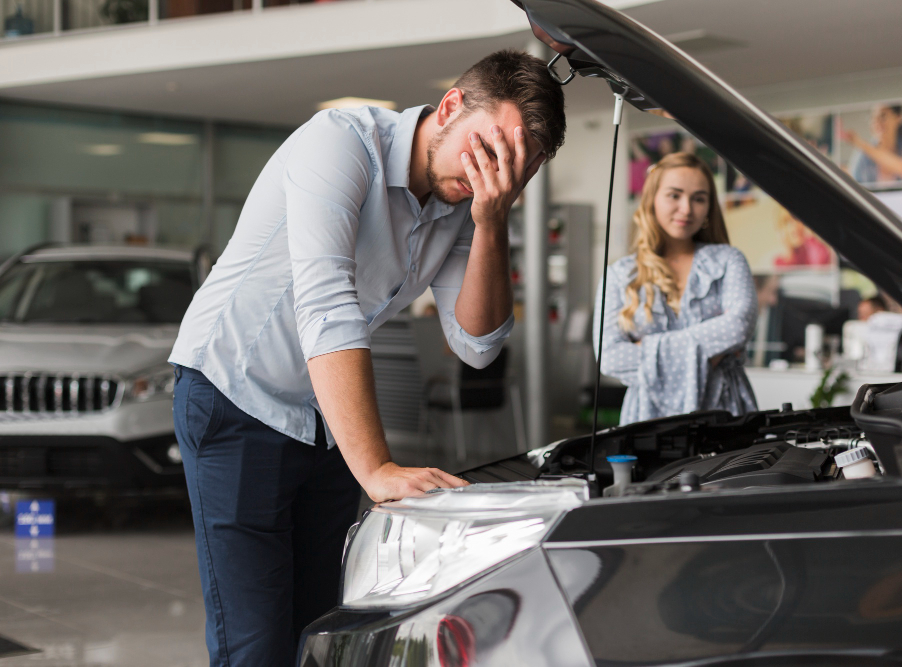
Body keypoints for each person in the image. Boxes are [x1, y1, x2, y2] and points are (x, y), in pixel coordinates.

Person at [168, 50, 565, 667]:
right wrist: (376, 467)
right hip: (233, 393)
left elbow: (477, 345)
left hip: (323, 413)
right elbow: (325, 305)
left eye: (514, 172)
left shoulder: (465, 202)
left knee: (316, 630)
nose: (491, 176)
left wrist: (491, 222)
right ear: (452, 106)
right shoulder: (339, 144)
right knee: (255, 643)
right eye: (487, 151)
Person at [595, 152, 758, 425]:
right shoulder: (619, 274)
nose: (686, 208)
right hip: (647, 420)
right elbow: (610, 357)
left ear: (709, 207)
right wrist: (711, 352)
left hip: (725, 414)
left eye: (699, 198)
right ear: (652, 199)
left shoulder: (729, 260)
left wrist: (647, 348)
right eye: (674, 195)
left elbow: (739, 325)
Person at [841, 104, 902, 183]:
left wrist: (860, 143)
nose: (877, 122)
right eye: (873, 118)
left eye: (883, 116)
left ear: (898, 117)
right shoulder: (862, 156)